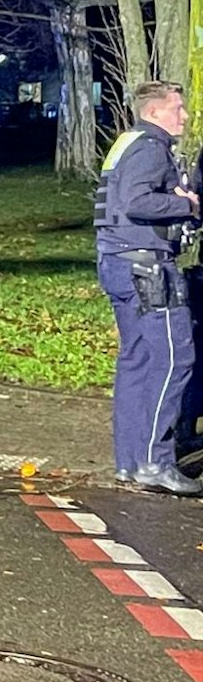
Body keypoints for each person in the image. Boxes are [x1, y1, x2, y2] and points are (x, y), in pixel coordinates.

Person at [95, 80, 203, 495]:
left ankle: (130, 461)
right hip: (147, 269)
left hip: (118, 264)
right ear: (155, 111)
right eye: (178, 107)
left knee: (136, 361)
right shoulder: (150, 147)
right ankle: (155, 462)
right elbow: (137, 203)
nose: (185, 115)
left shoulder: (128, 142)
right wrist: (187, 205)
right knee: (175, 359)